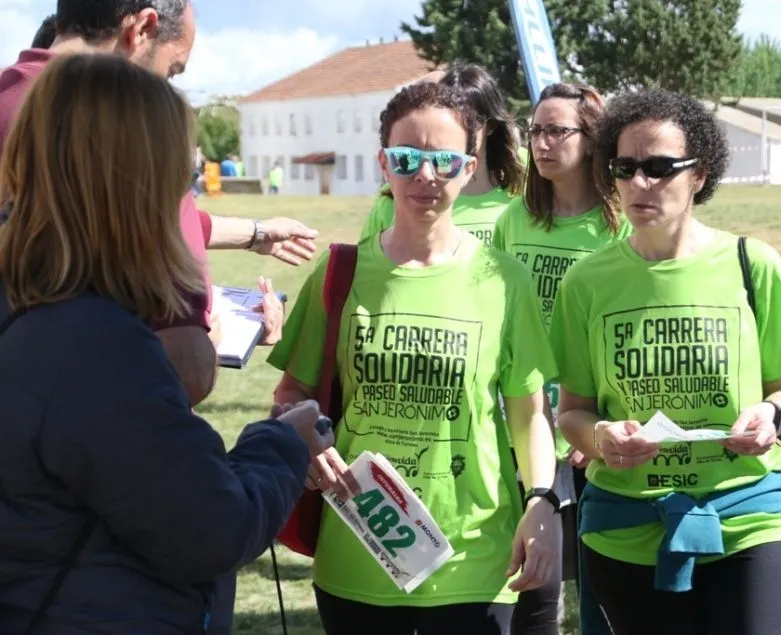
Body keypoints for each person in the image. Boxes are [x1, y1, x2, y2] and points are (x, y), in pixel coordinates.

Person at [0, 52, 332, 635]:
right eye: (181, 180)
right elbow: (210, 527)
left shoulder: (39, 305)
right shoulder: (95, 346)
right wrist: (282, 443)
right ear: (138, 186)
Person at [268, 81, 561, 635]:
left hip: (475, 555)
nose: (425, 175)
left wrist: (542, 500)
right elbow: (292, 393)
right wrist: (306, 438)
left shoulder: (506, 279)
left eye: (443, 161)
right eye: (406, 159)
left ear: (468, 168)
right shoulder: (340, 273)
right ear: (384, 164)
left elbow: (529, 416)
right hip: (358, 552)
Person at [548, 87, 781, 634]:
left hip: (749, 510)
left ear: (699, 174)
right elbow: (571, 412)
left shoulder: (753, 264)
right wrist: (601, 437)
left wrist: (770, 416)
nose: (639, 183)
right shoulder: (585, 283)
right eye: (624, 168)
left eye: (659, 167)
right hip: (627, 524)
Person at [0, 0, 320, 406]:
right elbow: (185, 369)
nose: (165, 89)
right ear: (143, 28)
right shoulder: (137, 140)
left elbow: (128, 220)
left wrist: (255, 233)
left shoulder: (12, 99)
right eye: (172, 72)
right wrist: (214, 343)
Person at [491, 81, 631, 633]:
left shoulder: (619, 223)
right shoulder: (514, 220)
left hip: (592, 419)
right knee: (531, 576)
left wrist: (583, 423)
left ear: (591, 137)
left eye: (556, 130)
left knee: (600, 585)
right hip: (525, 416)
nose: (542, 144)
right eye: (535, 131)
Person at [359, 63, 526, 246]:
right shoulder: (396, 200)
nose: (463, 129)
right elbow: (366, 259)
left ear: (491, 125)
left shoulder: (522, 193)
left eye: (473, 120)